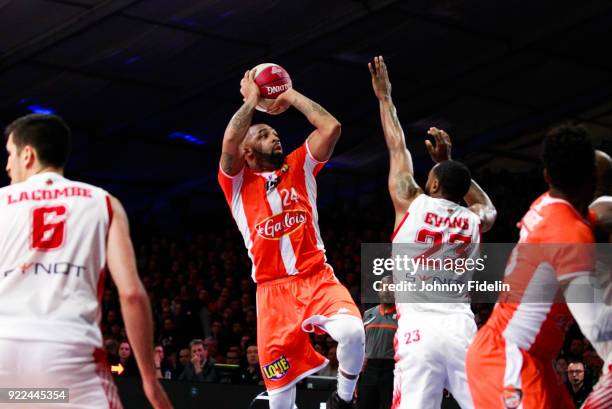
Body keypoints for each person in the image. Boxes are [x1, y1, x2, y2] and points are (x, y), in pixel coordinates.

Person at [0, 114, 171, 409]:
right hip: (69, 357)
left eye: (9, 155)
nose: (7, 165)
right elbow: (131, 294)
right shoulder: (102, 202)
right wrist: (149, 380)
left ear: (27, 154)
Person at [218, 69, 365, 409]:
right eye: (264, 134)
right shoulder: (237, 185)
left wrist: (288, 95)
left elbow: (331, 127)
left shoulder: (300, 166)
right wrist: (253, 100)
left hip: (316, 278)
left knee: (354, 333)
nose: (275, 137)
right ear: (248, 153)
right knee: (281, 403)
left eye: (274, 132)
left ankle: (343, 399)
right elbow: (229, 142)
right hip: (272, 295)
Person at [369, 56, 496, 409]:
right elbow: (489, 206)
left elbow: (397, 145)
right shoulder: (475, 219)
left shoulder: (411, 202)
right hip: (460, 331)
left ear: (435, 181)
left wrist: (385, 97)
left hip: (418, 332)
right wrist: (453, 166)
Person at [466, 125, 612, 409]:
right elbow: (596, 325)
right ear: (592, 180)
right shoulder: (569, 235)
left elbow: (599, 214)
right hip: (508, 360)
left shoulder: (548, 204)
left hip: (532, 358)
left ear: (547, 175)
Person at [358, 275, 397, 409]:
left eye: (391, 287)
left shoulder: (403, 316)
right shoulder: (368, 314)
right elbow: (361, 344)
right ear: (379, 290)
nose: (387, 291)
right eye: (384, 287)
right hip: (369, 369)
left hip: (392, 370)